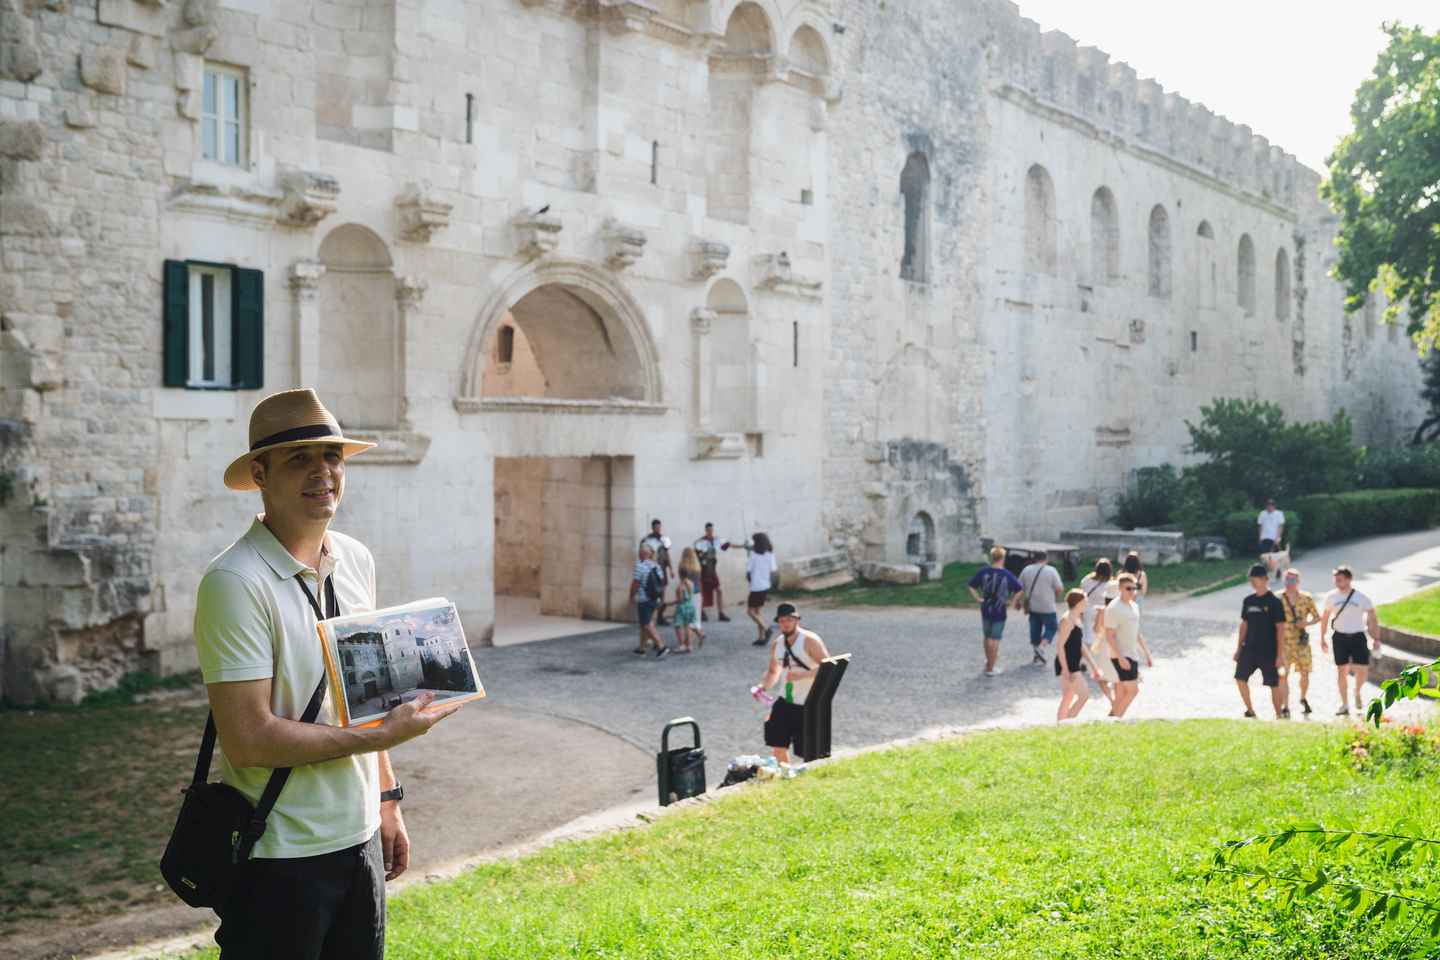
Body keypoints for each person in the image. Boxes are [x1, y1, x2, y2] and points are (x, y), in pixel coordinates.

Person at [195, 389, 464, 959]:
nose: (323, 472)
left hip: (360, 842)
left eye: (332, 457)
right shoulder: (234, 582)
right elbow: (247, 740)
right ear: (261, 474)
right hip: (279, 857)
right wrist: (380, 737)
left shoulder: (355, 558)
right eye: (300, 458)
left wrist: (387, 799)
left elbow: (368, 697)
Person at [754, 602, 831, 765]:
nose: (785, 623)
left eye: (789, 619)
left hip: (808, 703)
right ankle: (786, 776)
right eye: (782, 620)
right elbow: (773, 671)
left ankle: (809, 781)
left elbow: (829, 668)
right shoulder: (778, 644)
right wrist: (762, 688)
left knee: (808, 752)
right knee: (777, 744)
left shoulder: (809, 640)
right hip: (785, 700)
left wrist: (802, 675)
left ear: (797, 620)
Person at [1320, 564, 1381, 716]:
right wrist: (1322, 638)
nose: (1337, 583)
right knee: (1342, 670)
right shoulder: (1331, 597)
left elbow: (1372, 617)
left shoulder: (1361, 597)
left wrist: (1376, 638)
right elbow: (1325, 618)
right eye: (1336, 580)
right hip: (1339, 637)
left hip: (1358, 635)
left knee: (1362, 669)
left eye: (1340, 580)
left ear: (1349, 579)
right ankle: (1344, 704)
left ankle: (1357, 691)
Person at [1233, 564, 1287, 719]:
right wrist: (1238, 649)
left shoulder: (1275, 602)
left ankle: (1278, 715)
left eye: (1255, 579)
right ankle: (1250, 710)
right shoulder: (1248, 601)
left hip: (1268, 650)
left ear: (1265, 579)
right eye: (1251, 580)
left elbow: (1281, 629)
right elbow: (1244, 625)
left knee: (1273, 684)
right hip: (1249, 648)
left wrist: (1280, 654)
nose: (1253, 583)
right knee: (1240, 678)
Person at [967, 546, 1024, 677]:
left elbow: (971, 585)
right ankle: (991, 668)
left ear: (992, 557)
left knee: (987, 637)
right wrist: (1012, 602)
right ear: (1003, 558)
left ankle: (988, 662)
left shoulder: (983, 571)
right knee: (995, 638)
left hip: (986, 607)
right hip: (1000, 609)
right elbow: (1019, 589)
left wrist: (977, 598)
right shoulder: (1007, 574)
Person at [1102, 573, 1152, 717]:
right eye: (1128, 588)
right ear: (1120, 589)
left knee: (1123, 691)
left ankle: (1114, 718)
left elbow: (1136, 632)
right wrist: (1120, 657)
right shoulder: (1113, 608)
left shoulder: (1134, 606)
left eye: (1134, 588)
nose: (1132, 591)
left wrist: (1146, 653)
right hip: (1121, 655)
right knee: (1132, 690)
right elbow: (1109, 636)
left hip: (1132, 654)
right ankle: (1116, 720)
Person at [1054, 588, 1102, 722]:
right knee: (1084, 695)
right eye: (1085, 599)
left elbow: (1079, 645)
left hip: (1073, 661)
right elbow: (1060, 646)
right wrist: (1065, 669)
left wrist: (1094, 666)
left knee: (1068, 696)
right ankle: (1068, 723)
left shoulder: (1077, 618)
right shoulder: (1067, 620)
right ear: (1078, 602)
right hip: (1067, 663)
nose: (1087, 602)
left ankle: (1060, 724)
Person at [1278, 568, 1321, 716]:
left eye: (1293, 580)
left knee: (1305, 673)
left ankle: (1303, 698)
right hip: (1283, 644)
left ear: (1298, 581)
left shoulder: (1306, 598)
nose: (1290, 583)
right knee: (1283, 674)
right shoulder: (1278, 598)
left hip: (1301, 643)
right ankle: (1285, 706)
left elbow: (1317, 617)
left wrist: (1306, 624)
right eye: (1287, 580)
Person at [1079, 559, 1119, 705]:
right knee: (1098, 635)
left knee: (1087, 634)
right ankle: (1092, 660)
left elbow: (1081, 592)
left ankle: (1085, 659)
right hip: (1102, 612)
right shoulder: (1110, 584)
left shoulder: (1086, 580)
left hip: (1087, 610)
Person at [1019, 550, 1064, 666]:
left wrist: (1019, 600)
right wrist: (1055, 596)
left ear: (1034, 558)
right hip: (1048, 605)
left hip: (1033, 605)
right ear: (1046, 559)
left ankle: (1036, 655)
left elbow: (1020, 587)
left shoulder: (1026, 570)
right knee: (1052, 627)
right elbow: (1059, 588)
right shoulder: (1051, 570)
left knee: (1035, 629)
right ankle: (1041, 648)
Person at [629, 543, 669, 658]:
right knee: (644, 623)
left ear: (642, 553)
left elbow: (635, 584)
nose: (639, 553)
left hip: (644, 599)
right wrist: (661, 598)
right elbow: (662, 584)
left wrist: (631, 596)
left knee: (646, 624)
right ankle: (641, 648)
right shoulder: (657, 566)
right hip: (654, 599)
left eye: (640, 551)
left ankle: (661, 646)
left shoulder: (640, 566)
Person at [693, 522, 732, 623]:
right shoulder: (700, 542)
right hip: (703, 570)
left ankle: (721, 613)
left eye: (711, 530)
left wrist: (729, 543)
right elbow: (696, 555)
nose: (710, 532)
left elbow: (724, 547)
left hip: (712, 570)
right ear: (706, 530)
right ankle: (701, 612)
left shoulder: (716, 540)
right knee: (701, 592)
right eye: (708, 530)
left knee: (719, 590)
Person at [745, 532, 778, 646]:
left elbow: (748, 572)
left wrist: (750, 581)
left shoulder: (753, 555)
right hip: (765, 586)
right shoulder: (770, 554)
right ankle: (761, 637)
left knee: (750, 612)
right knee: (758, 612)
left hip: (756, 587)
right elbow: (773, 571)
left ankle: (767, 628)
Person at [640, 519, 674, 626]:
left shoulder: (664, 539)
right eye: (656, 527)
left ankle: (660, 616)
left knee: (662, 593)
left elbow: (667, 555)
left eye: (659, 527)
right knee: (653, 593)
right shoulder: (647, 540)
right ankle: (651, 617)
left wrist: (671, 569)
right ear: (653, 527)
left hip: (662, 569)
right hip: (652, 570)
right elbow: (642, 554)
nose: (658, 529)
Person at [672, 547, 703, 653]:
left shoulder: (683, 566)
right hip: (697, 593)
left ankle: (684, 643)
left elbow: (680, 594)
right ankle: (691, 641)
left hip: (685, 595)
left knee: (681, 622)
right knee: (693, 619)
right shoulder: (697, 567)